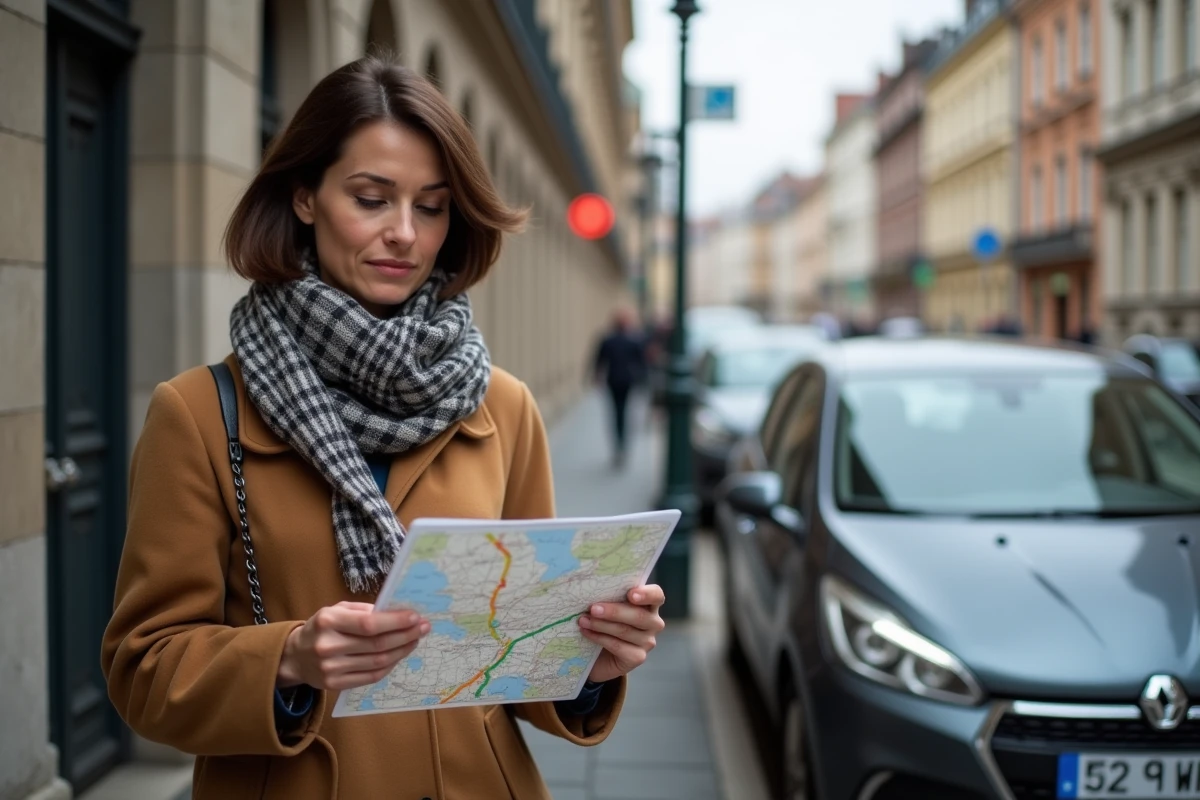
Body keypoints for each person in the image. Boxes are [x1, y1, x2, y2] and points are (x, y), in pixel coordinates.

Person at [101, 56, 666, 800]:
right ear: (305, 197)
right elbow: (144, 671)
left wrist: (587, 664)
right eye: (372, 198)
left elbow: (515, 651)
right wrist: (290, 659)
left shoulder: (503, 405)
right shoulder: (201, 413)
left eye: (430, 207)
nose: (403, 233)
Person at [591, 307, 646, 466]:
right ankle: (621, 444)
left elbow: (598, 361)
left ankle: (619, 444)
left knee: (617, 413)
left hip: (614, 381)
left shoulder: (608, 340)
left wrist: (596, 377)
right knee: (623, 412)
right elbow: (641, 363)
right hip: (626, 381)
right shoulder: (633, 340)